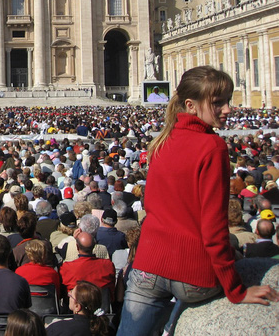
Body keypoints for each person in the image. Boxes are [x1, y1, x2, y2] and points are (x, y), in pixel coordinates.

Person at [117, 66, 279, 336]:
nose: (228, 109)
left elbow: (151, 207)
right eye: (218, 103)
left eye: (227, 100)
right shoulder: (212, 147)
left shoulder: (161, 141)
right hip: (192, 276)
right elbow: (214, 229)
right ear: (190, 105)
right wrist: (237, 291)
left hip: (148, 267)